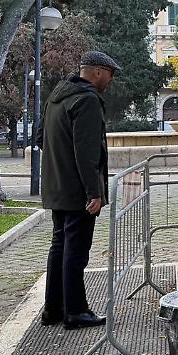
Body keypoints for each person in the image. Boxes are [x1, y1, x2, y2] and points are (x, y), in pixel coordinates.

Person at [38, 51, 119, 329]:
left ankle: (53, 309)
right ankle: (76, 311)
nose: (111, 79)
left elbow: (40, 138)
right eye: (110, 74)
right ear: (97, 71)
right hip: (78, 192)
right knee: (76, 251)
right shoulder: (87, 100)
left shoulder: (56, 96)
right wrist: (93, 192)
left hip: (57, 187)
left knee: (59, 247)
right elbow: (87, 153)